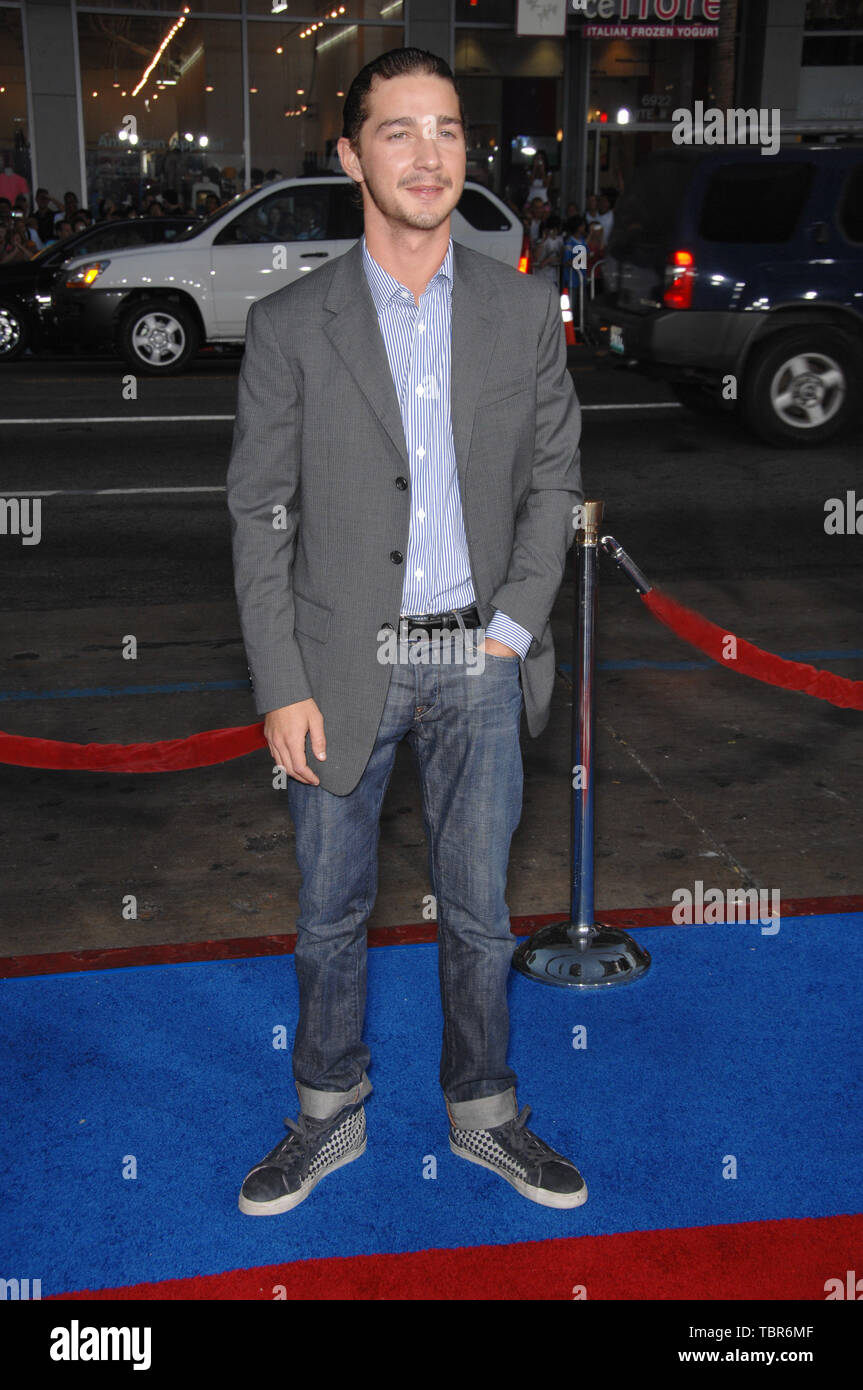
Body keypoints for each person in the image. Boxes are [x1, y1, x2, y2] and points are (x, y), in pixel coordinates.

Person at [226, 45, 587, 1218]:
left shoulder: (525, 310)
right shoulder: (290, 323)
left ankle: (483, 1110)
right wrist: (280, 681)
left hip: (475, 658)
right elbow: (258, 513)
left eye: (444, 130)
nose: (426, 154)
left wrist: (509, 630)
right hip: (341, 663)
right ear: (349, 155)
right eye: (396, 130)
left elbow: (550, 484)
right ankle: (326, 1110)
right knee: (329, 911)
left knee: (478, 907)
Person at [533, 213, 563, 287]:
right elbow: (536, 257)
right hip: (540, 277)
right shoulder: (540, 241)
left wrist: (548, 260)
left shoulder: (560, 240)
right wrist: (543, 239)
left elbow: (562, 257)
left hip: (553, 278)